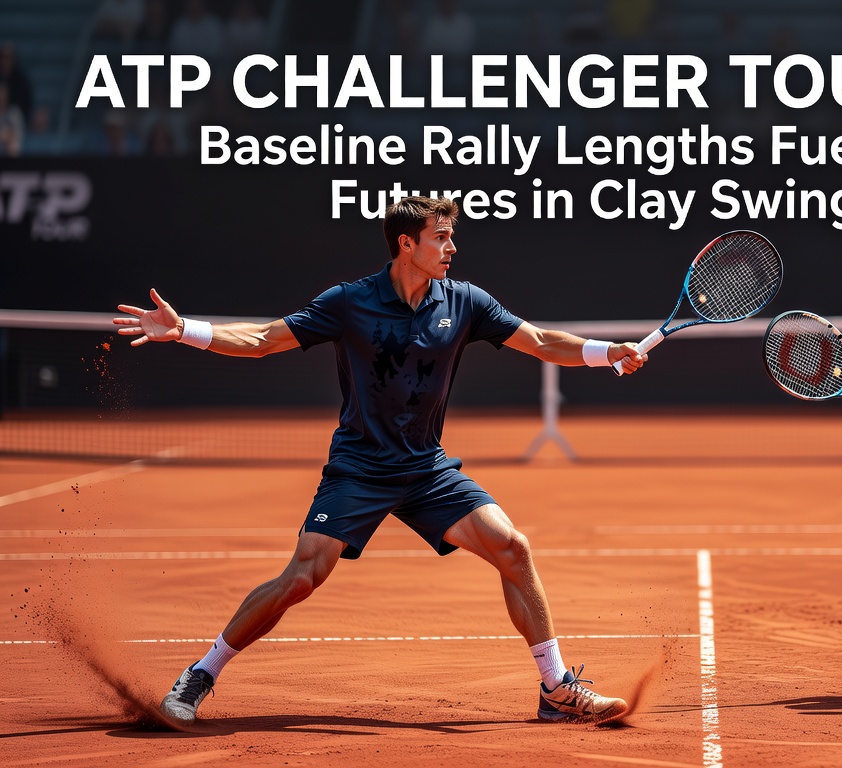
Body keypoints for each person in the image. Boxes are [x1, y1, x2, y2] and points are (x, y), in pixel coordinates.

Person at [113, 196, 647, 725]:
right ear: (406, 244)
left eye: (451, 237)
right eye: (442, 237)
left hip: (426, 470)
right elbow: (261, 340)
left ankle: (555, 689)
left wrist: (607, 352)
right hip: (359, 468)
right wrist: (186, 330)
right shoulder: (350, 301)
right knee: (301, 577)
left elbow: (539, 341)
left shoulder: (464, 302)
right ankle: (202, 673)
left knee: (512, 547)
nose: (452, 247)